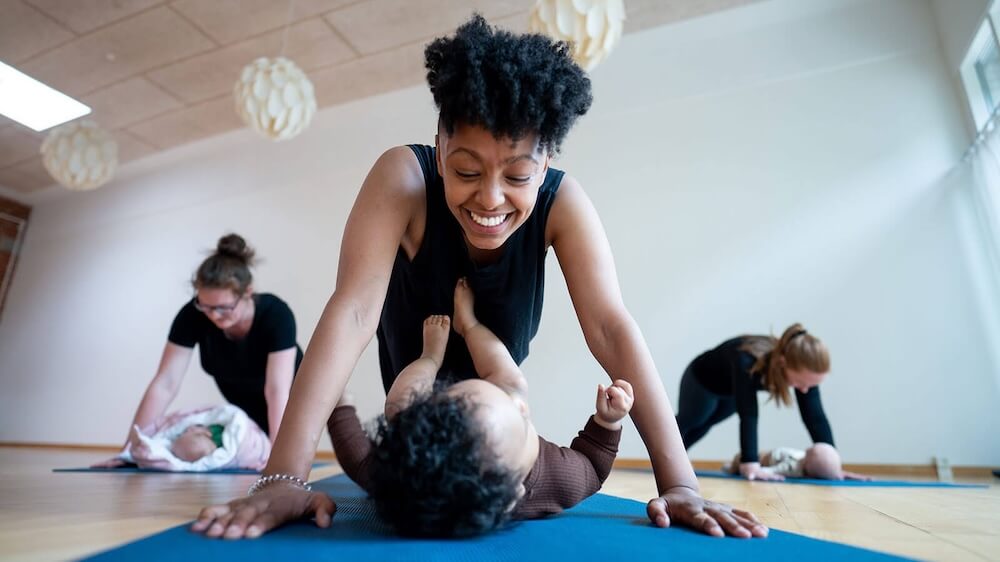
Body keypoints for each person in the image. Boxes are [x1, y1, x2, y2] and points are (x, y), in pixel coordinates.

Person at [193, 16, 766, 540]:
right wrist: (283, 477)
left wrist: (680, 483)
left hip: (498, 416)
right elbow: (354, 310)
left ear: (544, 165)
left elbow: (611, 329)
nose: (489, 199)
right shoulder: (404, 178)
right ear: (440, 148)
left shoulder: (562, 202)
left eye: (517, 175)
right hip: (414, 409)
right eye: (466, 170)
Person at [327, 278, 632, 537]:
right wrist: (607, 422)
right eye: (521, 417)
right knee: (513, 382)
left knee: (400, 408)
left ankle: (430, 357)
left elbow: (358, 458)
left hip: (419, 426)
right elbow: (593, 468)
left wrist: (337, 404)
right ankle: (469, 324)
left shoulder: (400, 482)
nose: (520, 404)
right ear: (514, 494)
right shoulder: (559, 480)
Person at [94, 234, 303, 468]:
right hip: (245, 404)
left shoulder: (276, 315)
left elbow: (277, 390)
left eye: (224, 307)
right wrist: (129, 451)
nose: (214, 315)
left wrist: (278, 457)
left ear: (247, 293)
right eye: (206, 306)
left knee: (293, 454)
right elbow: (165, 383)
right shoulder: (193, 316)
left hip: (294, 397)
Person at [675, 324, 838, 481]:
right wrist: (750, 462)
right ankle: (667, 457)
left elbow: (815, 417)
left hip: (731, 390)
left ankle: (676, 460)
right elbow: (749, 414)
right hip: (702, 379)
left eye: (811, 385)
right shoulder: (747, 359)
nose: (805, 390)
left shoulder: (803, 376)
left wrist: (832, 464)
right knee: (693, 420)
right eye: (802, 383)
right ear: (782, 363)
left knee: (705, 425)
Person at [115, 403, 272, 471]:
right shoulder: (224, 451)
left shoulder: (216, 426)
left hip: (252, 435)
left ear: (204, 431)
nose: (184, 430)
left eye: (185, 432)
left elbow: (225, 416)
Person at [721, 444, 871, 481]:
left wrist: (765, 471)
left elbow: (775, 470)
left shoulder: (793, 467)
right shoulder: (806, 462)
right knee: (742, 459)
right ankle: (732, 467)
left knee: (740, 458)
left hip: (766, 457)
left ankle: (731, 467)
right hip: (768, 454)